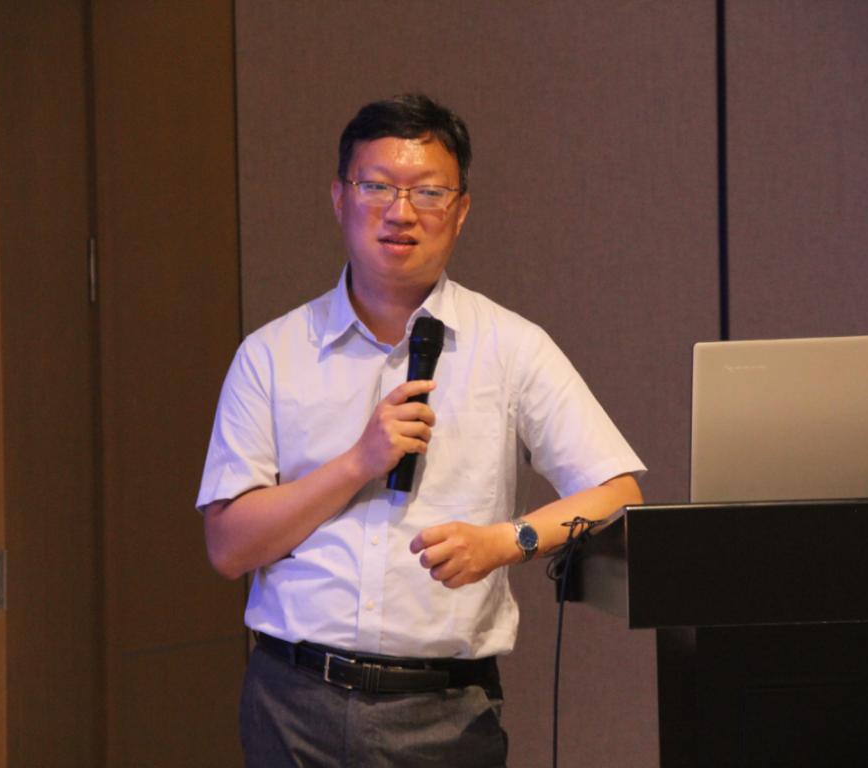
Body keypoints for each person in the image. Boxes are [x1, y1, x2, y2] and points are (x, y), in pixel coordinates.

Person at [197, 93, 645, 767]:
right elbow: (229, 547)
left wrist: (506, 541)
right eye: (376, 186)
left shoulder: (512, 347)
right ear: (340, 199)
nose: (400, 212)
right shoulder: (272, 353)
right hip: (292, 701)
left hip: (444, 714)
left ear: (460, 211)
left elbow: (618, 493)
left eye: (428, 192)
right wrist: (359, 461)